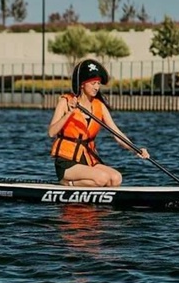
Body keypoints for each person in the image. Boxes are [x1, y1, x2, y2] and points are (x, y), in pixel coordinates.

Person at [48, 58, 148, 187]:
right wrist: (69, 113)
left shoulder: (99, 106)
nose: (96, 87)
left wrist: (136, 149)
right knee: (102, 178)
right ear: (82, 84)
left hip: (88, 158)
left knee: (116, 178)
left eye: (98, 83)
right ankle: (66, 182)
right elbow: (51, 132)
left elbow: (116, 133)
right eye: (93, 83)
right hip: (67, 162)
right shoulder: (65, 102)